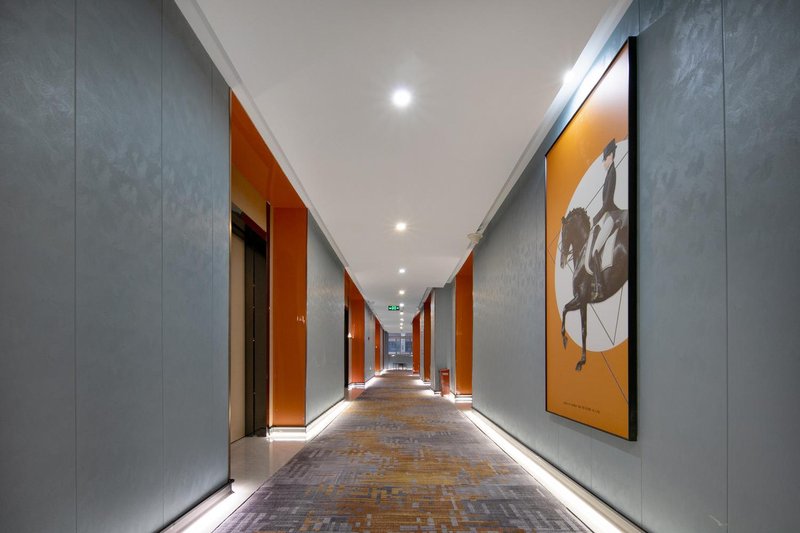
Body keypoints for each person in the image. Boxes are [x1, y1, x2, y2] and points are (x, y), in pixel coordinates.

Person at [588, 139, 619, 299]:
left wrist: (595, 218)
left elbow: (607, 203)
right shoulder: (609, 174)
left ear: (611, 156)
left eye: (604, 159)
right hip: (608, 214)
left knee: (595, 251)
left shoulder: (612, 174)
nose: (603, 163)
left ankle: (599, 287)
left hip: (612, 215)